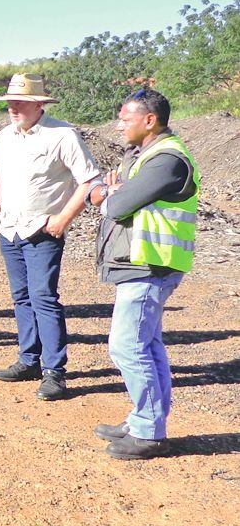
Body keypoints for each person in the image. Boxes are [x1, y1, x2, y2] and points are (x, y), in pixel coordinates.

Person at [89, 88, 198, 459]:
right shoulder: (144, 155)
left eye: (125, 119)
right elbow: (108, 194)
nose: (118, 125)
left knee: (127, 346)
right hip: (142, 262)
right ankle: (144, 420)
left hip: (150, 265)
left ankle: (149, 431)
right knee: (147, 345)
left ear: (150, 120)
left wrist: (112, 194)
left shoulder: (167, 160)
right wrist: (110, 192)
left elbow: (117, 205)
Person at [0, 74, 100, 401]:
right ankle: (28, 360)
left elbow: (90, 180)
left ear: (38, 105)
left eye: (20, 103)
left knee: (43, 298)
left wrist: (63, 219)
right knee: (21, 296)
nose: (13, 108)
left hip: (42, 231)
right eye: (10, 103)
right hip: (10, 229)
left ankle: (54, 372)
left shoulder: (62, 135)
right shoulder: (4, 136)